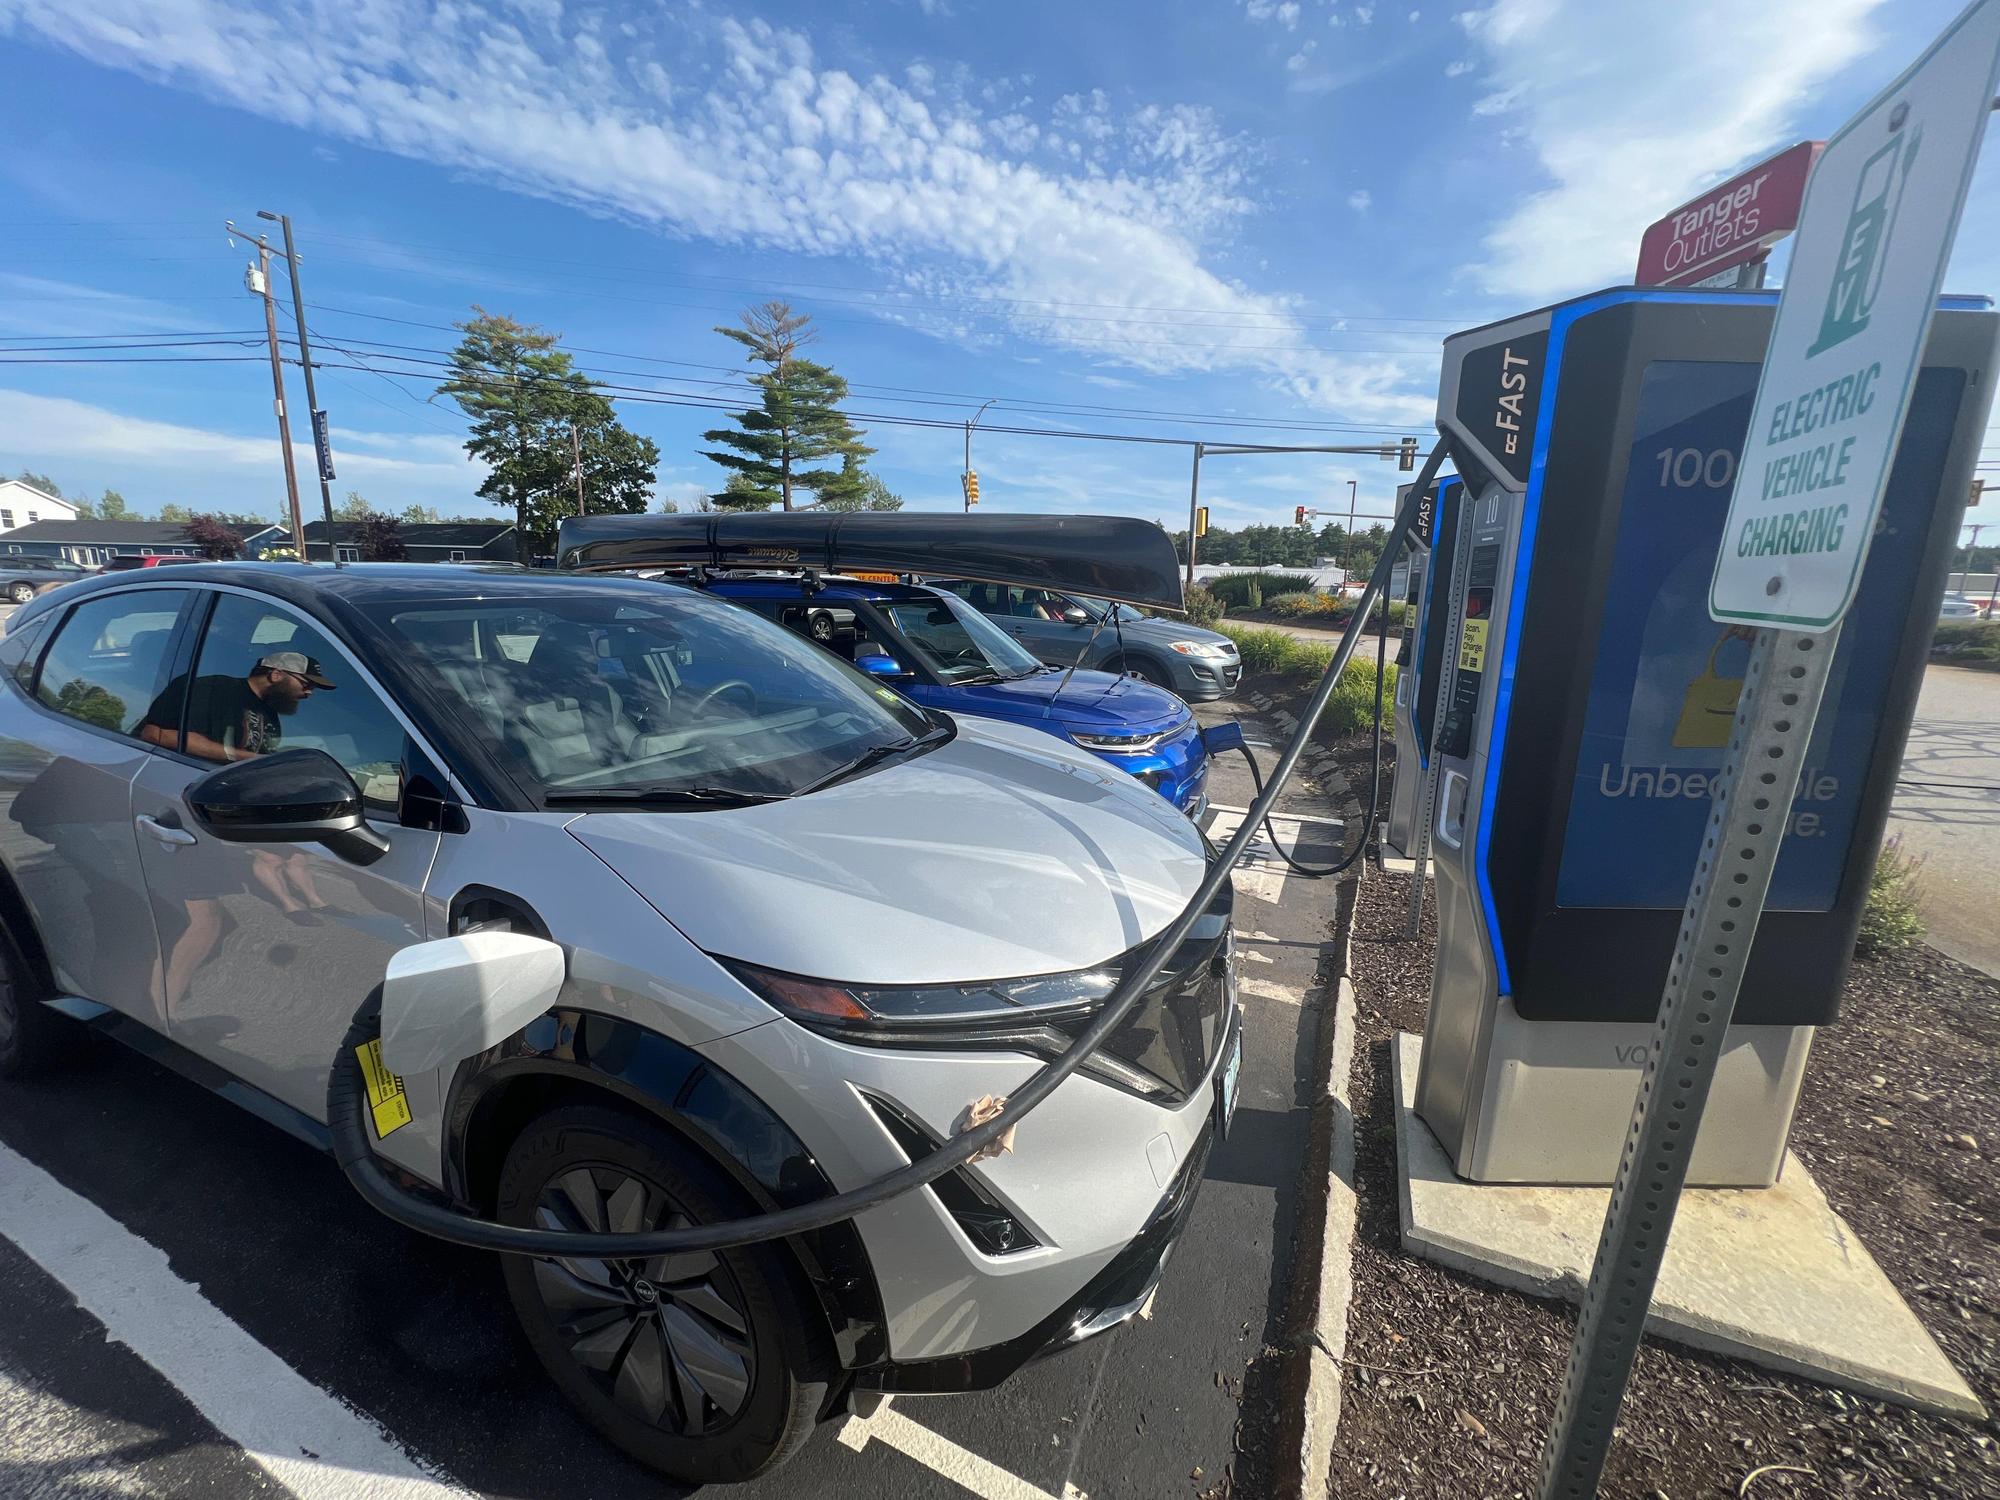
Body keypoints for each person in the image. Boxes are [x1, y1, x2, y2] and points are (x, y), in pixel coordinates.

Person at [138, 650, 336, 762]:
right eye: (306, 684)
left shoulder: (269, 713)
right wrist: (249, 759)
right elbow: (156, 735)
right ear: (276, 675)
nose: (309, 693)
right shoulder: (214, 689)